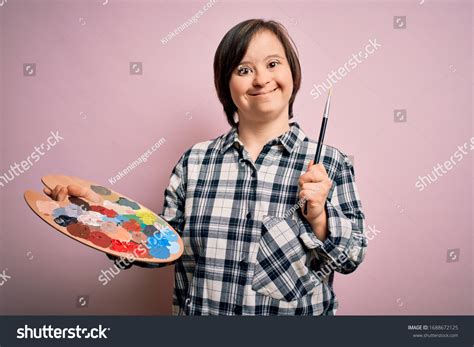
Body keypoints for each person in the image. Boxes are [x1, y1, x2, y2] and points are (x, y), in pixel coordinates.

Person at [45, 19, 368, 315]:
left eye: (273, 63)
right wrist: (98, 210)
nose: (261, 79)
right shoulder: (194, 162)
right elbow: (158, 247)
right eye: (243, 70)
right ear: (225, 85)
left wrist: (319, 217)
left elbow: (350, 258)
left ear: (293, 73)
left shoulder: (330, 163)